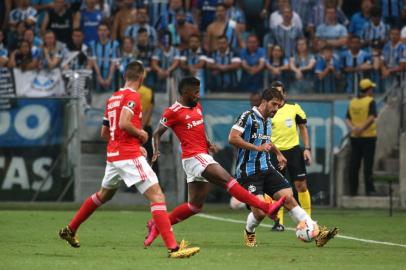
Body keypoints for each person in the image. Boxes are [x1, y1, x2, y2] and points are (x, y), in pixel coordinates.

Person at [58, 61, 200, 259]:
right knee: (157, 197)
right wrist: (141, 134)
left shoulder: (113, 98)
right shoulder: (133, 96)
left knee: (102, 196)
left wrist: (132, 143)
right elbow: (124, 123)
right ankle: (173, 249)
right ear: (141, 77)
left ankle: (71, 229)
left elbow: (105, 132)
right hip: (127, 155)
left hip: (114, 155)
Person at [143, 76, 286, 248]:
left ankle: (157, 224)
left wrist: (208, 141)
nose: (198, 95)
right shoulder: (172, 111)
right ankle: (266, 207)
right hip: (193, 157)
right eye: (195, 92)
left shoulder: (197, 106)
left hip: (200, 156)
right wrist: (156, 150)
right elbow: (157, 133)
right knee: (228, 180)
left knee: (194, 206)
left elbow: (199, 128)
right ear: (185, 92)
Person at [228, 87, 338, 248]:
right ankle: (249, 232)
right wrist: (256, 148)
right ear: (264, 101)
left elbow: (267, 140)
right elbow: (232, 138)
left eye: (279, 106)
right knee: (259, 212)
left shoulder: (268, 121)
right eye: (274, 104)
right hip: (248, 172)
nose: (276, 109)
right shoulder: (248, 116)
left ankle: (316, 232)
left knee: (288, 197)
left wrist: (278, 153)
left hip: (267, 168)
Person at [266, 81, 312, 232]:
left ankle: (307, 221)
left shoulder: (294, 108)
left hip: (293, 152)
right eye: (274, 93)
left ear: (284, 94)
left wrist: (307, 148)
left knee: (301, 186)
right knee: (278, 189)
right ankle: (278, 222)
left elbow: (303, 127)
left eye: (280, 93)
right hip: (275, 153)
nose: (277, 96)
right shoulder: (268, 111)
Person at [345, 78, 378, 196]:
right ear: (368, 90)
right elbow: (372, 117)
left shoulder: (352, 102)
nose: (372, 91)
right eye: (372, 89)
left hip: (355, 137)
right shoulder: (370, 101)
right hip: (368, 136)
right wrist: (362, 128)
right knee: (368, 165)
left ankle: (352, 191)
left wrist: (354, 129)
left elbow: (347, 119)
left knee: (354, 164)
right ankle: (369, 190)